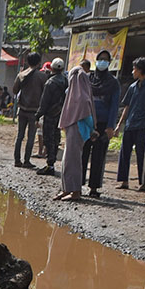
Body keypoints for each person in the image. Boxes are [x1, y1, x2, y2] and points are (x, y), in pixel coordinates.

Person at [114, 56, 145, 191]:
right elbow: (127, 106)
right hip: (130, 124)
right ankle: (124, 181)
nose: (132, 72)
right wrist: (119, 125)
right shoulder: (132, 87)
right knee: (124, 153)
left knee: (141, 153)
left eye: (134, 69)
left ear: (140, 70)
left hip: (142, 124)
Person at [84, 49, 120, 197]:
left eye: (105, 59)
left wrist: (111, 126)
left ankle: (94, 187)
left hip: (103, 124)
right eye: (100, 59)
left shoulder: (113, 83)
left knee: (98, 156)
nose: (102, 62)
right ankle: (77, 184)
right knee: (83, 153)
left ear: (109, 63)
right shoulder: (88, 78)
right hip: (87, 122)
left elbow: (114, 105)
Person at [56, 65, 95, 201]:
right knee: (67, 160)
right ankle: (66, 188)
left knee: (73, 160)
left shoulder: (82, 97)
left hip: (79, 129)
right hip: (73, 129)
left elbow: (87, 115)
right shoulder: (74, 94)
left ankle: (76, 191)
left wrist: (92, 129)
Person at [12, 51, 46, 168]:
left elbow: (15, 90)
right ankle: (26, 161)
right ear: (39, 62)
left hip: (22, 109)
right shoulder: (42, 76)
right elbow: (44, 94)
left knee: (19, 136)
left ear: (27, 61)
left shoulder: (21, 75)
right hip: (34, 111)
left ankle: (17, 160)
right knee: (31, 137)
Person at [36, 57, 68, 175]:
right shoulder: (66, 82)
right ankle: (52, 162)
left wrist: (38, 115)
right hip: (61, 114)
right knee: (56, 138)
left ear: (52, 69)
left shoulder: (50, 83)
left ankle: (50, 164)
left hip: (50, 115)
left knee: (48, 138)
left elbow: (44, 101)